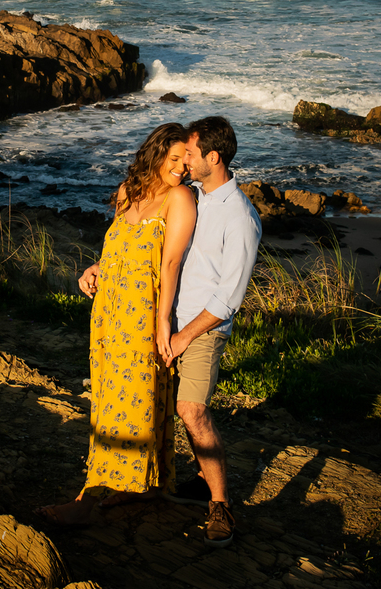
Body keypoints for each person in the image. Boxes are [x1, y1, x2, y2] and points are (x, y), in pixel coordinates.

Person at [35, 123, 196, 526]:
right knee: (109, 399)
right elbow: (118, 251)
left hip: (143, 317)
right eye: (174, 158)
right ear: (155, 154)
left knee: (134, 402)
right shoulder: (127, 192)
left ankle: (87, 499)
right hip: (109, 313)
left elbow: (170, 264)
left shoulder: (180, 198)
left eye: (186, 160)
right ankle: (143, 485)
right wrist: (95, 269)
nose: (181, 167)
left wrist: (163, 324)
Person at [162, 115, 262, 548]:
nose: (185, 160)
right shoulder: (192, 197)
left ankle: (221, 505)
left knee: (192, 410)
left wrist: (184, 336)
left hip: (204, 329)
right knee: (173, 407)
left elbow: (229, 297)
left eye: (190, 153)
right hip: (171, 321)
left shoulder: (240, 217)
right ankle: (203, 480)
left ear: (213, 158)